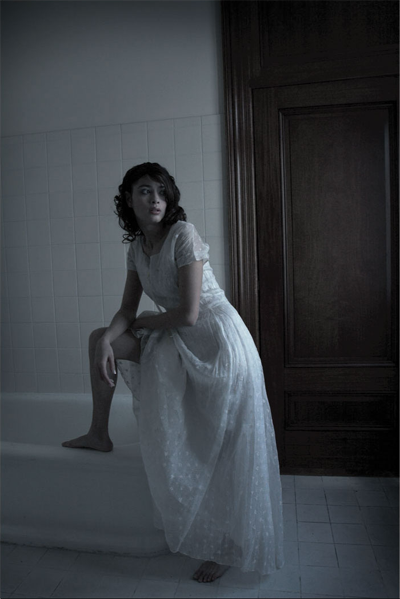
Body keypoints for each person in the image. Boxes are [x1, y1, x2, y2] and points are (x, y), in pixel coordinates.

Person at [63, 162, 284, 583]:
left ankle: (231, 546)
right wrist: (109, 339)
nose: (155, 199)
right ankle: (98, 433)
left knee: (225, 443)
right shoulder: (136, 248)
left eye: (161, 191)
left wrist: (144, 323)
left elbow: (188, 313)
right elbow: (126, 310)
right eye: (145, 191)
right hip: (175, 339)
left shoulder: (184, 235)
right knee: (97, 339)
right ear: (128, 200)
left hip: (218, 342)